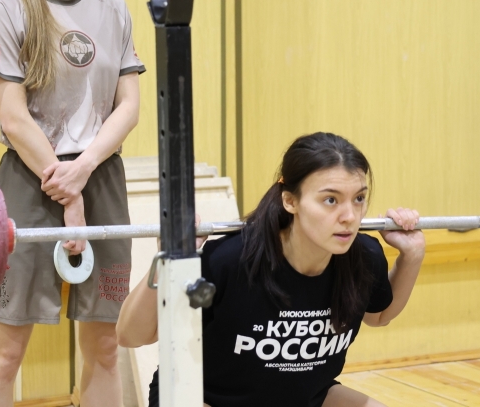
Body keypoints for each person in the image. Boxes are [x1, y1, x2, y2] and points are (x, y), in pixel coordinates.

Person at [0, 0, 144, 407]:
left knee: (106, 347)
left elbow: (129, 106)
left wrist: (85, 168)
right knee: (6, 352)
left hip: (101, 175)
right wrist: (66, 188)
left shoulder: (113, 8)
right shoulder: (7, 10)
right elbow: (13, 117)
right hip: (30, 180)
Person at [117, 132, 425, 407]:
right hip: (202, 397)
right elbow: (130, 335)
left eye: (359, 198)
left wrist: (412, 255)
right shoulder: (229, 261)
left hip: (304, 398)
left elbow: (378, 316)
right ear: (290, 200)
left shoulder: (363, 257)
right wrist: (166, 258)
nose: (350, 216)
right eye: (331, 200)